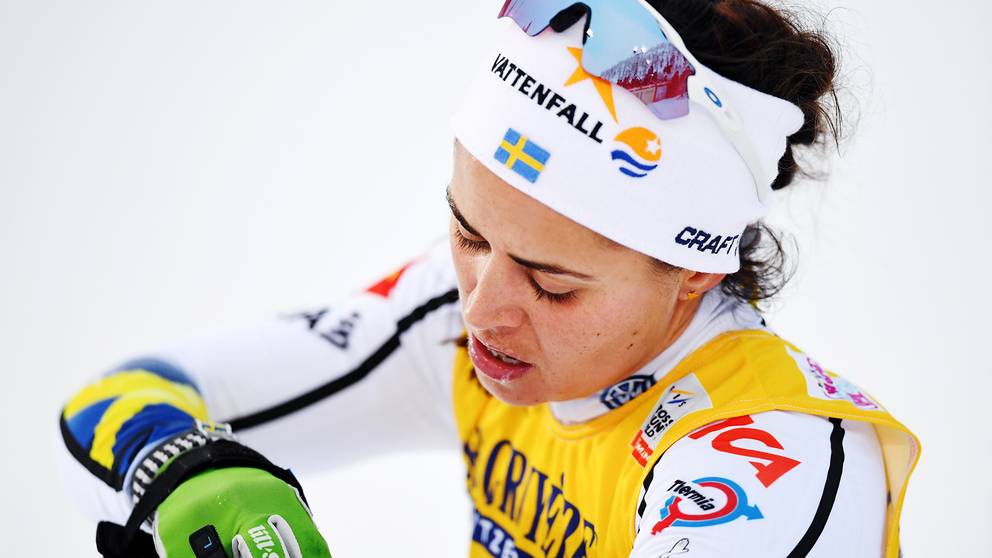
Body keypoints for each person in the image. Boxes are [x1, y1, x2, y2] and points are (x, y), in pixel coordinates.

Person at [57, 1, 920, 556]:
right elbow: (114, 400)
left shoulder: (771, 457)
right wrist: (184, 469)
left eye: (553, 285)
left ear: (694, 270)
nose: (483, 309)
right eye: (469, 235)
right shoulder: (457, 309)